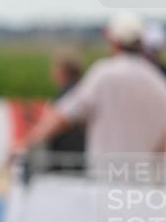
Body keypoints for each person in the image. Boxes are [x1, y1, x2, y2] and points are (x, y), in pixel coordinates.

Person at [22, 13, 166, 171]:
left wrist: (27, 143)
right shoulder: (158, 82)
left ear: (113, 41)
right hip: (144, 183)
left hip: (104, 179)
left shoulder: (103, 75)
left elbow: (63, 116)